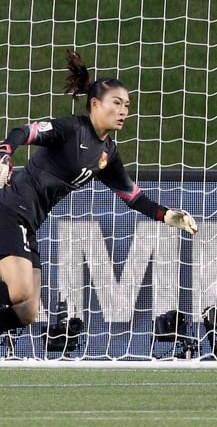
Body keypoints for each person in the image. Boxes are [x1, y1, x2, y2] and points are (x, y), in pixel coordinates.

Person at [0, 49, 198, 333]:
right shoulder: (70, 129)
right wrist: (5, 153)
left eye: (127, 105)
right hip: (9, 210)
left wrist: (167, 215)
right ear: (94, 104)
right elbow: (23, 132)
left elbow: (133, 197)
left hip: (29, 224)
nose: (123, 111)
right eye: (116, 103)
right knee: (18, 292)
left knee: (28, 310)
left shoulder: (107, 154)